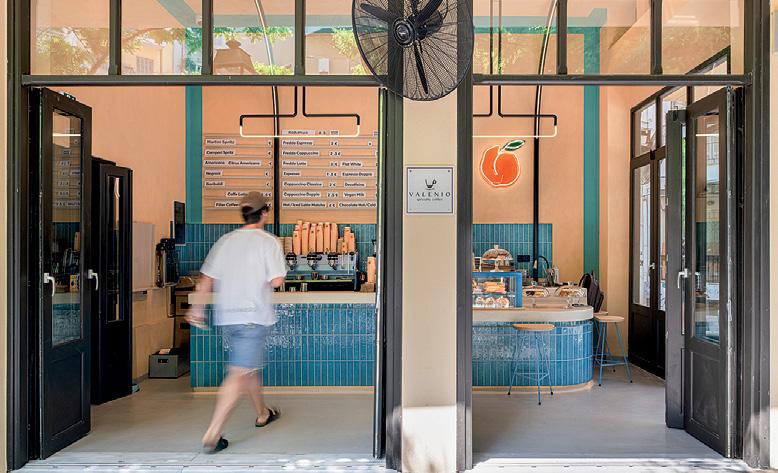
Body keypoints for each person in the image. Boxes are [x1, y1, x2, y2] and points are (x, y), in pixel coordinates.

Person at [186, 192, 287, 454]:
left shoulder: (226, 241)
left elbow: (206, 278)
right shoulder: (269, 242)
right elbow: (277, 281)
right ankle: (212, 433)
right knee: (239, 372)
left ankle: (263, 413)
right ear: (264, 213)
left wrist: (197, 309)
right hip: (252, 316)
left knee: (248, 368)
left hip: (228, 317)